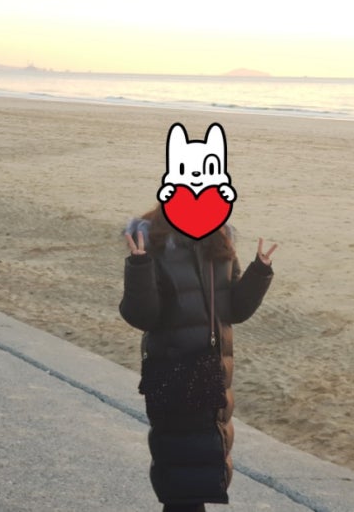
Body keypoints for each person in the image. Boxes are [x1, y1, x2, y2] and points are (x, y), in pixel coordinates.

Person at [120, 207, 276, 512]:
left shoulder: (220, 237)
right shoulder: (151, 239)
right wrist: (138, 266)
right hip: (172, 370)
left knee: (202, 466)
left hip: (212, 372)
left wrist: (260, 271)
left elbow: (235, 309)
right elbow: (143, 317)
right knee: (179, 471)